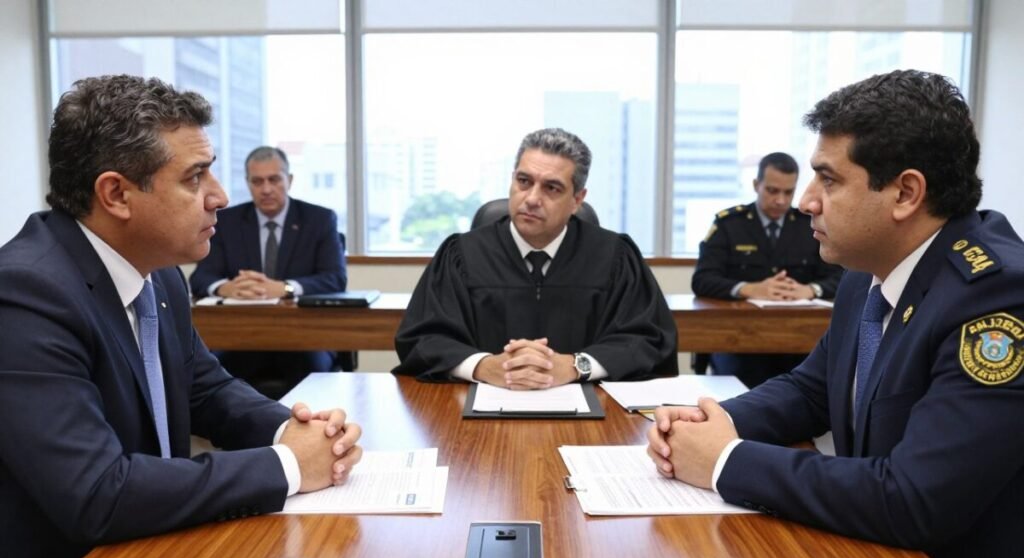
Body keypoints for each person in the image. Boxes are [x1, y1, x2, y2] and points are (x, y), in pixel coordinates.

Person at [647, 69, 1024, 558]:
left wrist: (725, 459)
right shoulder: (865, 270)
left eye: (829, 179)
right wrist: (709, 421)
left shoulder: (994, 297)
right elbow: (813, 388)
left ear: (906, 194)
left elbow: (915, 499)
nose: (806, 201)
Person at [0, 75, 363, 558]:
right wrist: (287, 466)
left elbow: (207, 390)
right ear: (116, 194)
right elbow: (96, 493)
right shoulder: (26, 294)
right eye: (195, 178)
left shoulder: (162, 275)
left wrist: (292, 430)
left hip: (162, 537)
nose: (220, 197)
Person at [394, 128, 677, 388]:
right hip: (477, 417)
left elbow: (648, 339)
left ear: (578, 199)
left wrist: (576, 365)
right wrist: (483, 366)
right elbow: (423, 338)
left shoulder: (614, 257)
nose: (531, 198)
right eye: (524, 181)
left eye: (551, 188)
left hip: (594, 417)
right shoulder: (461, 255)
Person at [189, 146, 347, 398]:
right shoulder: (226, 221)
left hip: (304, 337)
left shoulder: (319, 219)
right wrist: (225, 287)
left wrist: (285, 288)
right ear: (248, 184)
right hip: (242, 336)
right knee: (210, 372)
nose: (266, 189)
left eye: (274, 179)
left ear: (290, 180)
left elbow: (335, 278)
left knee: (313, 371)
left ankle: (309, 434)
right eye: (257, 181)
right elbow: (200, 277)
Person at [692, 152, 844, 387]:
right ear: (756, 185)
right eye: (772, 191)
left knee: (809, 384)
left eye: (788, 192)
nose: (781, 200)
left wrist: (810, 290)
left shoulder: (809, 226)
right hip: (740, 341)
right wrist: (749, 289)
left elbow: (839, 276)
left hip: (797, 340)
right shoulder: (730, 225)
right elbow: (702, 279)